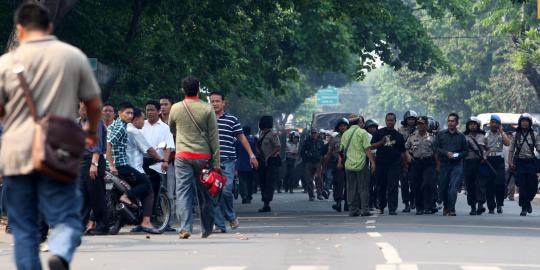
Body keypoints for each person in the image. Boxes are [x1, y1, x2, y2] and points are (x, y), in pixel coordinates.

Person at [0, 3, 102, 269]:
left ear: (20, 30)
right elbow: (93, 104)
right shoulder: (72, 56)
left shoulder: (6, 63)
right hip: (59, 147)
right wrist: (91, 133)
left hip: (18, 152)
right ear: (50, 27)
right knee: (68, 214)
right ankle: (60, 251)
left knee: (23, 226)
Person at [169, 76, 220, 238]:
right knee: (204, 194)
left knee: (183, 192)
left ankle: (185, 228)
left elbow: (171, 128)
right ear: (198, 89)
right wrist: (217, 161)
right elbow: (214, 136)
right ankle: (206, 229)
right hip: (203, 157)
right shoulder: (207, 108)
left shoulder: (175, 108)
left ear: (183, 90)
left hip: (183, 155)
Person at [209, 91, 257, 232]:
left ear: (223, 103)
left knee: (226, 191)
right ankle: (219, 225)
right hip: (210, 161)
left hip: (227, 160)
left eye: (218, 101)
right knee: (214, 193)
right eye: (212, 101)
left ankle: (230, 216)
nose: (215, 104)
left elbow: (242, 138)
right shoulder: (205, 120)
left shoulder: (232, 120)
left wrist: (251, 155)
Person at [108, 104, 160, 234]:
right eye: (128, 113)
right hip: (126, 166)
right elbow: (149, 150)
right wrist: (161, 159)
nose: (130, 116)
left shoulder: (116, 126)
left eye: (131, 113)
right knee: (148, 187)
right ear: (120, 113)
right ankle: (146, 222)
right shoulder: (130, 130)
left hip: (118, 166)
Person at [141, 100, 174, 225]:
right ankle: (144, 219)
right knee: (145, 191)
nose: (149, 112)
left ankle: (167, 223)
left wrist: (165, 161)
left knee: (165, 192)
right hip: (141, 164)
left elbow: (168, 146)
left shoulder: (165, 128)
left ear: (158, 111)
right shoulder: (140, 125)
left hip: (159, 163)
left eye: (152, 110)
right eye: (147, 110)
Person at [78, 102, 109, 235]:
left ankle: (103, 225)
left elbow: (97, 144)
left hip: (93, 160)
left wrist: (94, 164)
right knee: (82, 194)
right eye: (82, 108)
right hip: (81, 161)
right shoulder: (78, 122)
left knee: (96, 194)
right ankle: (80, 225)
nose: (83, 111)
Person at [371, 113, 407, 215]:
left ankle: (392, 208)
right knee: (381, 186)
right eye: (388, 120)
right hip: (381, 164)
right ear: (385, 121)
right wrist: (381, 142)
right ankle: (381, 206)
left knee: (393, 186)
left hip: (394, 165)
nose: (389, 122)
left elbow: (403, 152)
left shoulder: (399, 136)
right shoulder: (379, 133)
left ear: (395, 121)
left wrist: (404, 166)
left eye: (391, 120)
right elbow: (371, 146)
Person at [340, 114, 376, 217]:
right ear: (358, 122)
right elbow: (367, 149)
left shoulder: (345, 134)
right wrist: (372, 162)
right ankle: (364, 210)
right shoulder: (362, 132)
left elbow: (341, 149)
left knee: (351, 188)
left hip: (348, 165)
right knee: (363, 188)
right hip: (361, 164)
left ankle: (353, 210)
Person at [434, 113, 468, 216]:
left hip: (456, 165)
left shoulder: (461, 136)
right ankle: (446, 206)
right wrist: (446, 153)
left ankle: (452, 209)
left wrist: (457, 155)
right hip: (444, 164)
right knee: (443, 187)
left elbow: (466, 151)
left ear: (457, 123)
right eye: (449, 121)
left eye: (453, 121)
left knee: (453, 188)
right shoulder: (441, 134)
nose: (450, 123)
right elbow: (435, 148)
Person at [507, 113, 540, 216]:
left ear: (529, 123)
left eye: (526, 121)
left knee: (533, 186)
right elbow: (511, 150)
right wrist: (510, 162)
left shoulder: (534, 134)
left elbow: (538, 148)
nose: (524, 123)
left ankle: (527, 202)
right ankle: (524, 208)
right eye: (522, 121)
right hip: (520, 162)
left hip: (531, 162)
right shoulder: (515, 135)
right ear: (520, 123)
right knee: (522, 185)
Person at [405, 116, 439, 215]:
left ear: (426, 125)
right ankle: (419, 207)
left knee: (427, 184)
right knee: (416, 185)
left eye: (422, 124)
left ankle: (428, 206)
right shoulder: (412, 136)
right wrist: (407, 156)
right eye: (419, 124)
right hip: (416, 163)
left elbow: (436, 152)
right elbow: (405, 148)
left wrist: (438, 165)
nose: (420, 126)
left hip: (429, 163)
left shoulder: (432, 138)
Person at [484, 114, 510, 214]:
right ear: (490, 123)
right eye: (493, 122)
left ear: (499, 124)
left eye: (496, 123)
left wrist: (502, 131)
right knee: (489, 184)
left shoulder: (501, 134)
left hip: (499, 159)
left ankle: (499, 204)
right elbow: (484, 147)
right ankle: (491, 206)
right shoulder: (486, 135)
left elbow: (507, 143)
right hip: (489, 160)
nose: (494, 124)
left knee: (500, 183)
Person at [463, 117, 488, 215]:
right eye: (470, 124)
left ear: (478, 125)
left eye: (474, 124)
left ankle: (480, 205)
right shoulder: (463, 137)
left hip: (480, 163)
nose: (472, 125)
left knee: (480, 185)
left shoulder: (483, 136)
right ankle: (472, 207)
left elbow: (488, 148)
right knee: (470, 185)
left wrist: (485, 157)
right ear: (468, 126)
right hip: (468, 163)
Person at [257, 116, 281, 212]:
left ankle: (267, 203)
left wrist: (268, 156)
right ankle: (264, 201)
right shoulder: (261, 134)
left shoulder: (272, 134)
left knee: (269, 182)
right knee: (262, 181)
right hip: (262, 161)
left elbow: (278, 147)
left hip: (271, 161)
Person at [325, 118, 349, 212]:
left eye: (344, 125)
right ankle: (338, 202)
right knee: (338, 183)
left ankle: (348, 203)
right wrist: (324, 165)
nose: (342, 127)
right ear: (338, 128)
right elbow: (329, 152)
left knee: (349, 184)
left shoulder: (351, 137)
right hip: (337, 163)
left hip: (350, 162)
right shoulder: (335, 139)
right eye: (341, 126)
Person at [398, 110, 418, 212]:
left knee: (414, 182)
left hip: (415, 158)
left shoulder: (419, 130)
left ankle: (413, 199)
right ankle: (406, 203)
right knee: (404, 183)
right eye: (409, 119)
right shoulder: (400, 131)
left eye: (413, 119)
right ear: (406, 120)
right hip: (403, 160)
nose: (411, 121)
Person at [300, 128, 326, 201]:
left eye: (315, 133)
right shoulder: (306, 142)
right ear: (310, 134)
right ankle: (311, 195)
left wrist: (321, 160)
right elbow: (302, 152)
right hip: (309, 163)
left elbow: (323, 152)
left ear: (317, 134)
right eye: (312, 133)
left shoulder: (320, 142)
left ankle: (319, 194)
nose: (314, 134)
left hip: (318, 162)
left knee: (319, 178)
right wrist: (306, 160)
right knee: (309, 179)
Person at [236, 126, 257, 204]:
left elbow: (236, 153)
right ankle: (249, 196)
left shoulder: (238, 141)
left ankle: (243, 196)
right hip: (250, 164)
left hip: (241, 164)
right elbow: (255, 153)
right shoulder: (252, 141)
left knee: (242, 181)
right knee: (250, 181)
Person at [365, 119, 379, 210]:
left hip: (378, 162)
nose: (372, 129)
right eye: (370, 127)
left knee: (377, 184)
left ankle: (375, 201)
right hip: (368, 162)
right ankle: (369, 202)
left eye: (374, 127)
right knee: (369, 184)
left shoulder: (379, 136)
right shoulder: (365, 137)